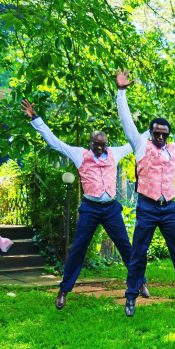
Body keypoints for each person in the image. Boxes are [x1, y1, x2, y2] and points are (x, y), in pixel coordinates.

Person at [21, 99, 149, 310]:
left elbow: (135, 142)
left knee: (126, 246)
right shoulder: (80, 154)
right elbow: (55, 142)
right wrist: (36, 119)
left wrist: (150, 129)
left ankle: (139, 282)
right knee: (78, 248)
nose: (100, 148)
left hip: (110, 208)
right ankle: (63, 290)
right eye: (96, 145)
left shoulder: (115, 153)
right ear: (90, 144)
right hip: (90, 208)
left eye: (103, 145)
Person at [115, 70, 175, 317]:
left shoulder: (174, 149)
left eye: (164, 134)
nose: (160, 137)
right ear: (150, 132)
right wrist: (121, 91)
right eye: (156, 133)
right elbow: (126, 120)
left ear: (168, 135)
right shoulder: (139, 145)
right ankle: (131, 296)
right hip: (146, 207)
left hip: (168, 208)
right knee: (138, 252)